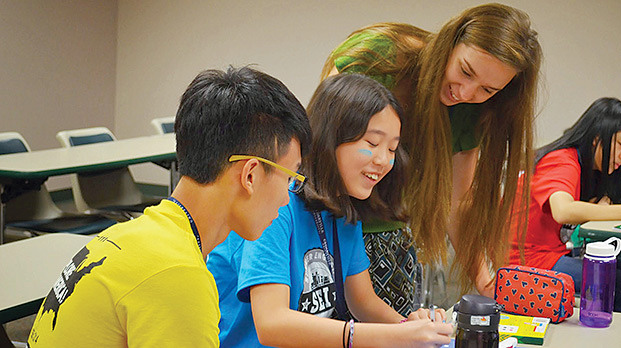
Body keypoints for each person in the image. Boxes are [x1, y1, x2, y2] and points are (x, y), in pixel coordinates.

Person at [27, 66, 312, 347]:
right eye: (289, 177)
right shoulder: (179, 276)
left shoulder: (135, 236)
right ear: (250, 176)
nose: (287, 198)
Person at [321, 3, 543, 308]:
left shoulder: (472, 112)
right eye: (465, 71)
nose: (465, 93)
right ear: (451, 41)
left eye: (487, 90)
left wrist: (485, 281)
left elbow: (457, 203)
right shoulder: (381, 56)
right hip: (328, 234)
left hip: (391, 244)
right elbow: (319, 143)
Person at [207, 73, 452, 348]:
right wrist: (393, 336)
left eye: (392, 148)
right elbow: (271, 324)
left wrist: (414, 328)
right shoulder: (276, 206)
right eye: (372, 143)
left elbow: (363, 302)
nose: (384, 160)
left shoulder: (343, 210)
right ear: (330, 138)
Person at [508, 97, 621, 313]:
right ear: (597, 138)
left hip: (549, 254)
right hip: (526, 263)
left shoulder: (580, 163)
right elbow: (563, 211)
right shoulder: (562, 161)